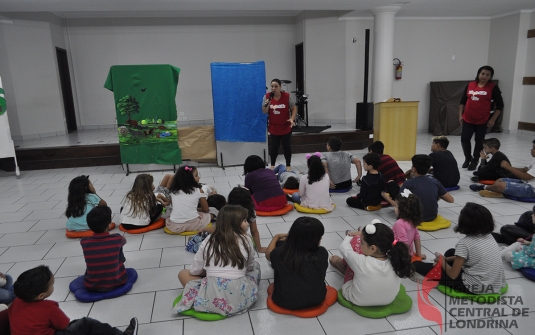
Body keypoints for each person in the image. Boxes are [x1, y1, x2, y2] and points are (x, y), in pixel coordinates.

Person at [174, 205, 261, 317]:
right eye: (244, 220)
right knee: (256, 266)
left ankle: (208, 299)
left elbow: (195, 271)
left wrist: (208, 272)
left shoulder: (208, 240)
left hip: (212, 298)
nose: (248, 223)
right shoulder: (247, 239)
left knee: (183, 273)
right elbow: (249, 267)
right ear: (234, 223)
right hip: (241, 298)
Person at [8, 265, 138, 335]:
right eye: (52, 285)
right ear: (41, 295)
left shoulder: (16, 303)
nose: (53, 286)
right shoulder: (49, 308)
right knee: (86, 323)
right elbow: (63, 325)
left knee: (76, 324)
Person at [413, 203, 506, 294]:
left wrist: (442, 260)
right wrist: (446, 259)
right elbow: (474, 257)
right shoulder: (489, 236)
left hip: (475, 287)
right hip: (495, 284)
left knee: (417, 265)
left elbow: (453, 275)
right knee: (451, 252)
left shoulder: (464, 243)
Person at [336, 222, 413, 306]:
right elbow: (382, 234)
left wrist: (349, 236)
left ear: (373, 248)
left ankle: (338, 263)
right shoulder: (396, 260)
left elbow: (343, 248)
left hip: (358, 300)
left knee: (347, 260)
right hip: (389, 300)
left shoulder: (362, 261)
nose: (360, 244)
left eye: (362, 243)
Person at [265, 217, 328, 310]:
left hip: (284, 301)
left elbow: (268, 255)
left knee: (280, 245)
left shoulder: (280, 254)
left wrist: (276, 237)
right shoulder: (322, 253)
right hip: (317, 299)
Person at [459, 65, 504, 171]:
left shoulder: (493, 87)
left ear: (490, 77)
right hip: (468, 118)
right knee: (464, 139)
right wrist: (460, 115)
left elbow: (500, 105)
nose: (484, 76)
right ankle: (467, 158)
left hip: (483, 119)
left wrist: (492, 119)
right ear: (478, 74)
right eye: (482, 74)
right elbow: (462, 101)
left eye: (487, 75)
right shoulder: (470, 85)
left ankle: (475, 160)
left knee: (479, 141)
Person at [386, 155, 454, 222]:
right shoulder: (435, 182)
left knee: (391, 184)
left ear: (414, 169)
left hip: (414, 218)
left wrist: (387, 198)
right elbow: (451, 200)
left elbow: (399, 202)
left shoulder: (408, 183)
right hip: (432, 216)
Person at [82, 206, 128, 291]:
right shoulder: (117, 238)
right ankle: (120, 262)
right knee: (119, 247)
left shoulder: (84, 242)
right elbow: (124, 241)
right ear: (109, 224)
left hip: (91, 284)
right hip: (117, 281)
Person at [470, 139, 535, 198]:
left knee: (501, 185)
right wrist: (509, 167)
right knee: (499, 180)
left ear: (492, 148)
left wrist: (508, 167)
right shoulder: (533, 161)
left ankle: (484, 187)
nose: (531, 150)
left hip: (532, 189)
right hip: (526, 182)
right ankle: (499, 191)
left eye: (534, 148)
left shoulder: (498, 156)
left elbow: (525, 176)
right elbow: (524, 170)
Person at [262, 79, 297, 170]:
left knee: (286, 146)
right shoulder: (267, 97)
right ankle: (272, 165)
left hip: (286, 126)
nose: (273, 88)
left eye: (276, 86)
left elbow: (293, 108)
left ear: (280, 87)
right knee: (274, 147)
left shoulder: (287, 96)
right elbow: (264, 111)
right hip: (274, 127)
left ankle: (288, 165)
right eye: (272, 86)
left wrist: (292, 119)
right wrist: (267, 104)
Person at [166, 166, 211, 234]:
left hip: (175, 225)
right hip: (194, 224)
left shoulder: (173, 191)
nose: (199, 177)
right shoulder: (198, 190)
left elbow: (174, 207)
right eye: (196, 176)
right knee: (213, 211)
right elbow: (206, 210)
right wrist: (197, 209)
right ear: (189, 179)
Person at [392, 191, 426, 259]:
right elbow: (417, 238)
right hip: (408, 254)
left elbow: (403, 243)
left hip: (399, 256)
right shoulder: (412, 221)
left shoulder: (399, 223)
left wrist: (405, 259)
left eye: (396, 206)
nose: (394, 208)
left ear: (402, 209)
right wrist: (419, 254)